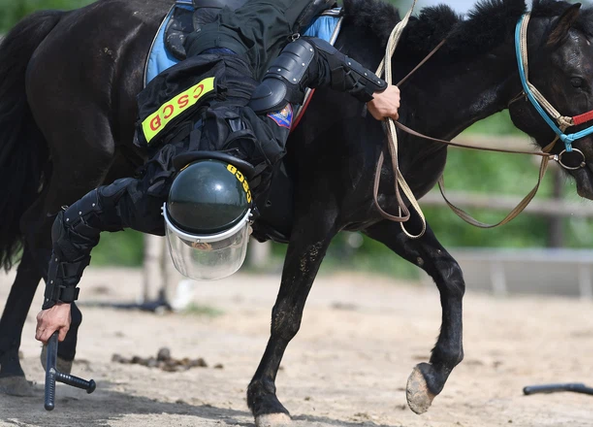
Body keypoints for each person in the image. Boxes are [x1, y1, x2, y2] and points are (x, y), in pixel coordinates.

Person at [35, 0, 401, 344]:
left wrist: (374, 92)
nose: (201, 247)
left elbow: (310, 51)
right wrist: (59, 302)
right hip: (216, 55)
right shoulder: (154, 192)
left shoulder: (259, 133)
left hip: (241, 44)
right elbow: (73, 222)